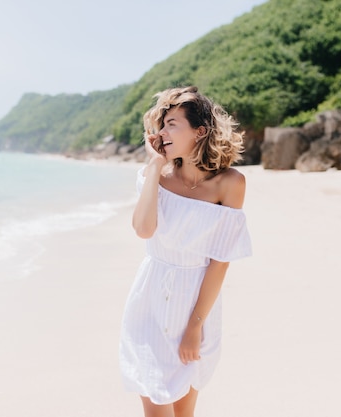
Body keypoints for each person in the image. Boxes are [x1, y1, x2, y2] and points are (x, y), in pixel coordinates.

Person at [119, 86, 252, 417]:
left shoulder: (230, 184)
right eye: (161, 125)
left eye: (172, 124)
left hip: (196, 306)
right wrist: (153, 167)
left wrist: (195, 326)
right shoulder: (158, 176)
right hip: (150, 302)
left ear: (200, 131)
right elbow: (143, 230)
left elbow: (220, 263)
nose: (162, 133)